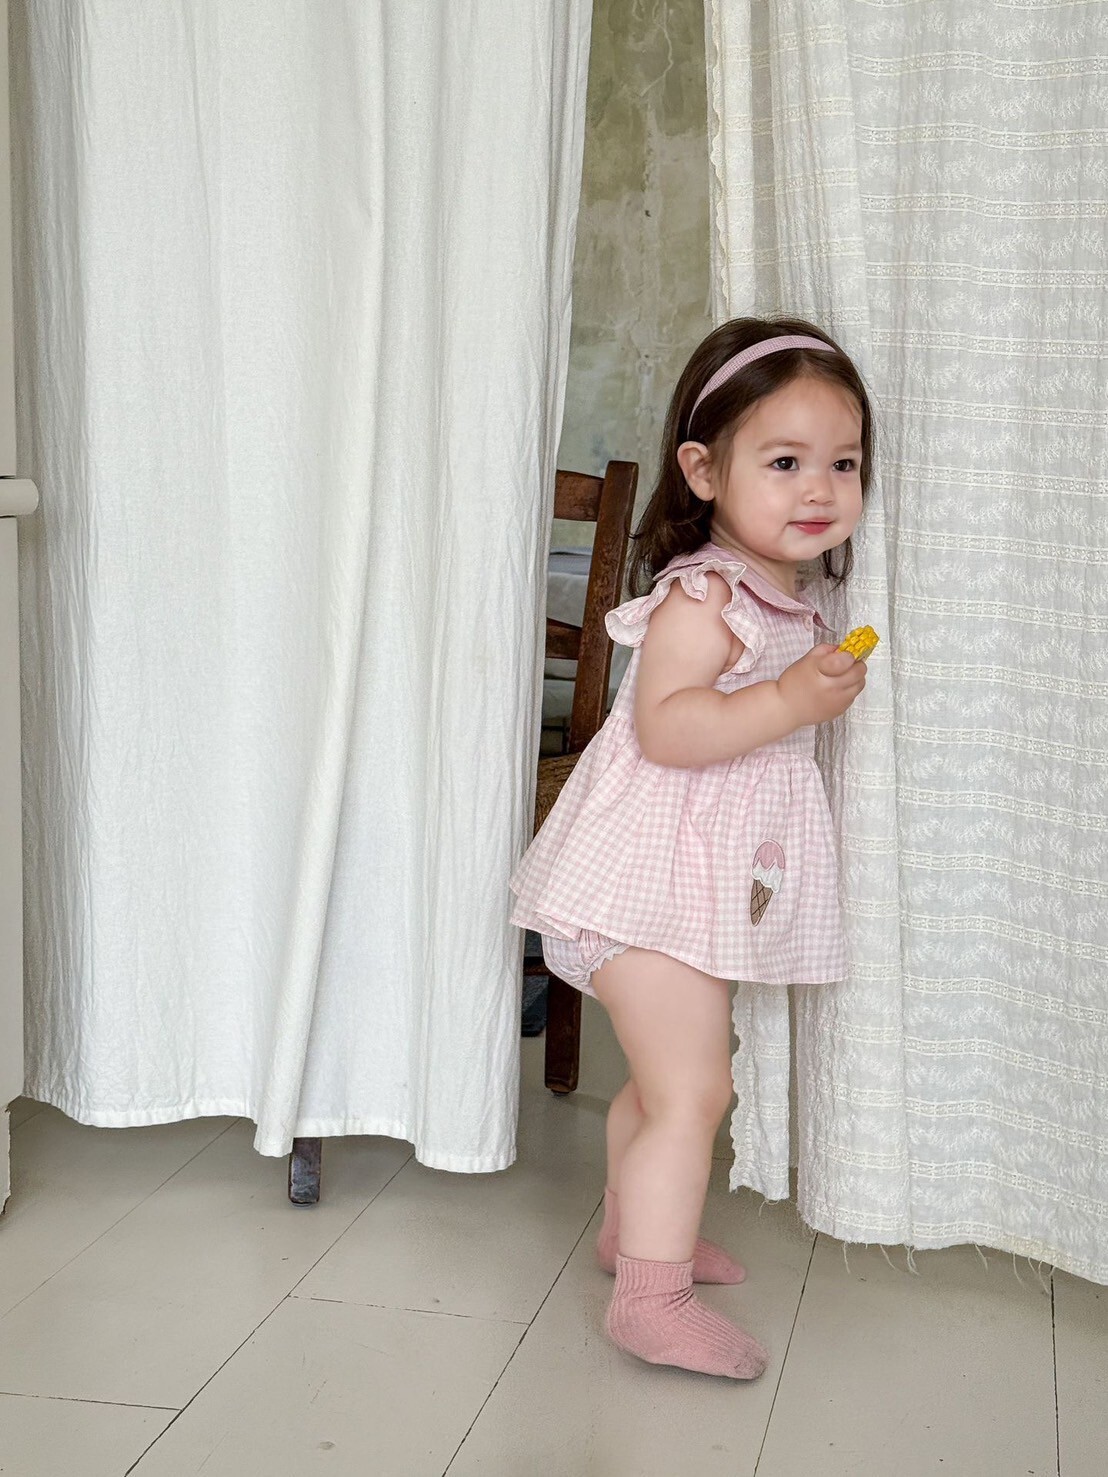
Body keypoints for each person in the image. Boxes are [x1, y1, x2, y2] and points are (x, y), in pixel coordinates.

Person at [510, 316, 874, 1380]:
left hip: (682, 890)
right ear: (704, 472)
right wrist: (786, 699)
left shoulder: (782, 595)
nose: (820, 489)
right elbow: (667, 729)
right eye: (784, 462)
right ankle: (651, 1299)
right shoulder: (705, 593)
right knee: (693, 1092)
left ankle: (632, 1232)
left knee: (661, 1082)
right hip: (640, 890)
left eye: (843, 463)